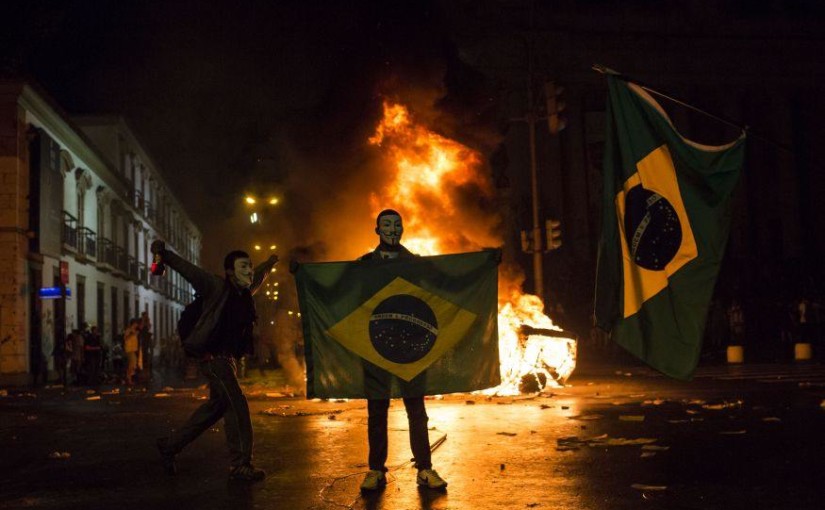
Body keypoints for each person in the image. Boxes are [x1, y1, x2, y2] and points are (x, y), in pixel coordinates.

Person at [153, 240, 277, 482]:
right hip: (212, 358)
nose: (249, 271)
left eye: (249, 266)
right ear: (230, 272)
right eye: (243, 267)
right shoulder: (215, 286)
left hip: (226, 360)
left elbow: (259, 276)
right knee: (237, 404)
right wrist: (165, 255)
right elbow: (189, 270)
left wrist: (270, 263)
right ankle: (240, 464)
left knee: (216, 408)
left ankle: (169, 446)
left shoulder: (243, 293)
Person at [357, 209, 447, 491]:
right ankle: (375, 470)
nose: (392, 229)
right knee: (377, 411)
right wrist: (304, 272)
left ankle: (425, 469)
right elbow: (340, 287)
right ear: (377, 230)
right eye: (387, 225)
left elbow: (446, 280)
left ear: (403, 229)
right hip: (377, 345)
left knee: (416, 410)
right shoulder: (365, 265)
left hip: (410, 347)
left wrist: (485, 262)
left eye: (397, 225)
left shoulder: (415, 264)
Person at [123, 319, 140, 385]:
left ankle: (129, 378)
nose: (137, 325)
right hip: (129, 350)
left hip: (133, 349)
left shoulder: (134, 331)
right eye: (136, 323)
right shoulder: (128, 330)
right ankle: (128, 378)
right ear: (133, 324)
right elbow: (126, 338)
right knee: (132, 364)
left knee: (133, 364)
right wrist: (133, 335)